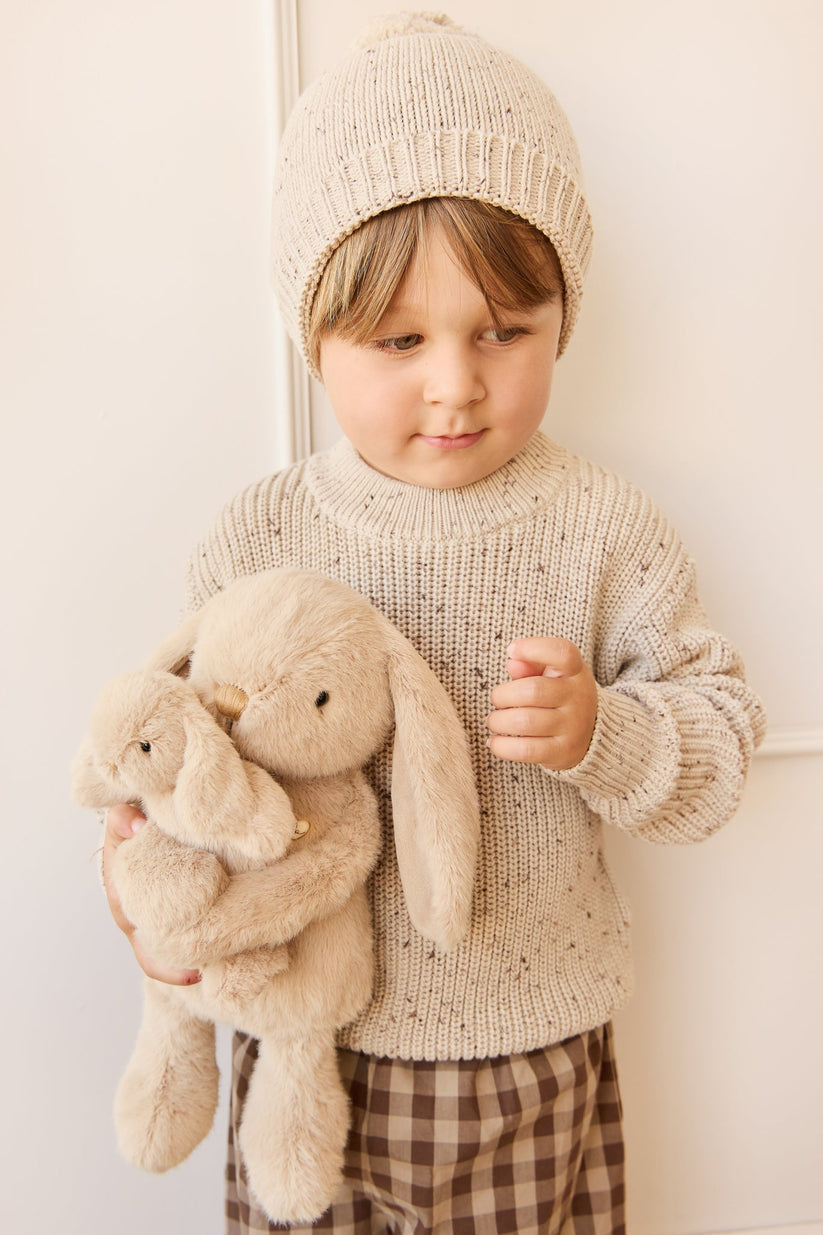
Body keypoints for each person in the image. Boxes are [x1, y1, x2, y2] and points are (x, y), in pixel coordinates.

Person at [103, 13, 766, 1234]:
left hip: (529, 1058)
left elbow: (717, 748)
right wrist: (149, 899)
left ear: (562, 311)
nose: (455, 381)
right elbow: (167, 768)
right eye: (399, 340)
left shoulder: (599, 530)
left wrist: (600, 734)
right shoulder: (257, 542)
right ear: (313, 337)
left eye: (503, 331)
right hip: (307, 1052)